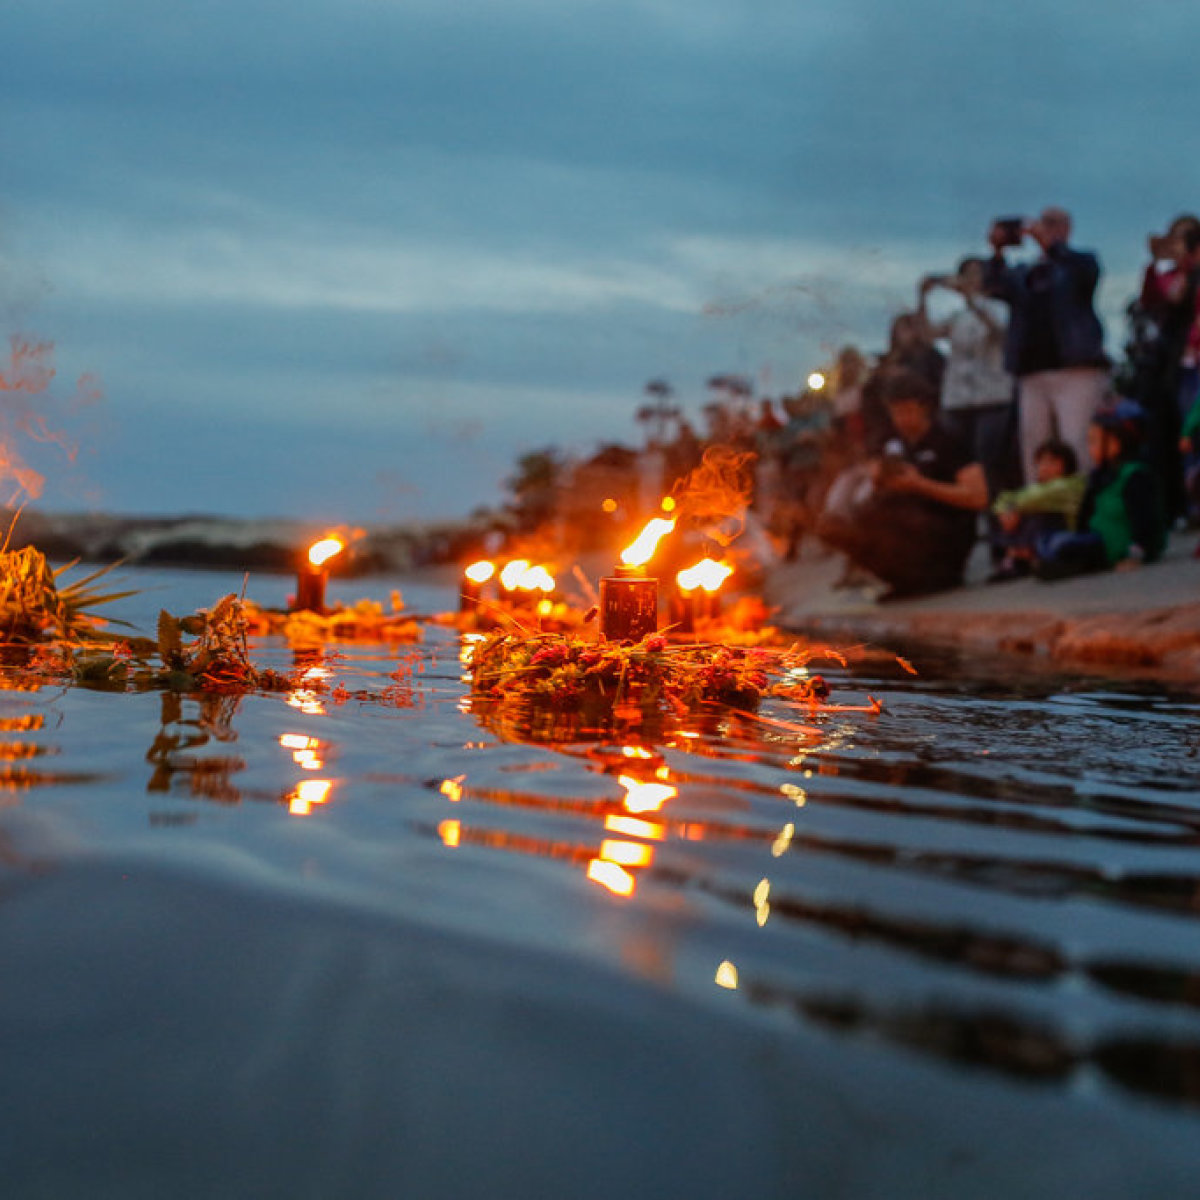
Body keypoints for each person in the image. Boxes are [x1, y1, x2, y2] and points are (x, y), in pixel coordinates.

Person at [816, 370, 988, 600]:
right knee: (837, 526)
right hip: (904, 527)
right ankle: (901, 579)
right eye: (896, 412)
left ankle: (937, 577)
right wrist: (879, 479)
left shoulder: (948, 438)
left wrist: (921, 485)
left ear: (924, 407)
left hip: (944, 531)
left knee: (892, 518)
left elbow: (978, 497)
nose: (902, 419)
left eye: (908, 411)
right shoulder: (890, 441)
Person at [984, 207, 1110, 484]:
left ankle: (1083, 506)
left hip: (1075, 370)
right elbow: (992, 287)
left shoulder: (1082, 262)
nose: (1046, 228)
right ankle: (1038, 512)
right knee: (1033, 444)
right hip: (1032, 371)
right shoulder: (1023, 273)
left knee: (1076, 439)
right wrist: (997, 250)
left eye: (1054, 223)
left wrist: (1053, 247)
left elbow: (1084, 277)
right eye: (1043, 223)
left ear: (1067, 228)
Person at [1033, 400, 1166, 580]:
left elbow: (1146, 523)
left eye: (1094, 441)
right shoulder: (1100, 476)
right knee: (1047, 539)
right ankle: (1063, 563)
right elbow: (1084, 517)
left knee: (1061, 546)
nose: (1090, 449)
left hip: (1117, 544)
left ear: (1116, 444)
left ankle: (1068, 564)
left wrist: (1137, 555)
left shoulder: (1135, 476)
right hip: (1097, 538)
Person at [918, 257, 1016, 498]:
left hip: (992, 399)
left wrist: (971, 299)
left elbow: (998, 330)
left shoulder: (1002, 309)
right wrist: (922, 299)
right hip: (956, 401)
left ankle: (993, 514)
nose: (970, 281)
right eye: (966, 275)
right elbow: (927, 335)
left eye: (976, 274)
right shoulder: (957, 317)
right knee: (958, 460)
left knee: (989, 461)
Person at [1134, 215, 1200, 521]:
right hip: (1174, 361)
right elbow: (1155, 301)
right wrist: (1154, 263)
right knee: (1179, 431)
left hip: (1191, 355)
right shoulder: (1169, 275)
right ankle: (1183, 503)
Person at [988, 439, 1085, 581]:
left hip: (1065, 535)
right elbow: (1004, 499)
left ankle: (1022, 556)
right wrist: (1006, 511)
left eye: (1052, 462)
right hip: (1041, 535)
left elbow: (1031, 499)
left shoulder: (1070, 484)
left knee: (1037, 514)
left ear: (1066, 464)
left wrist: (1010, 507)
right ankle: (1017, 556)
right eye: (1041, 462)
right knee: (1007, 515)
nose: (1045, 467)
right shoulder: (1038, 487)